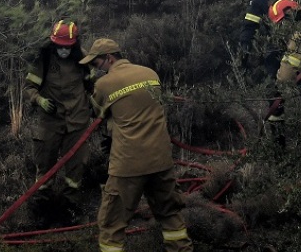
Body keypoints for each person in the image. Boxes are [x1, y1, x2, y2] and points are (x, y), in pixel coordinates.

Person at [80, 38, 193, 252]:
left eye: (96, 64)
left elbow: (95, 112)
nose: (96, 69)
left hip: (128, 164)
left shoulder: (104, 84)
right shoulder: (150, 74)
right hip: (161, 160)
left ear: (109, 58)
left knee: (111, 223)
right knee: (170, 215)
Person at [23, 20, 95, 223]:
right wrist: (40, 100)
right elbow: (28, 88)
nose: (63, 50)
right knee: (45, 166)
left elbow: (93, 87)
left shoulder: (83, 59)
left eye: (67, 47)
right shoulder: (44, 59)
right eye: (59, 46)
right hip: (50, 122)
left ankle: (69, 208)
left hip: (77, 121)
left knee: (76, 167)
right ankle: (41, 210)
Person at [237, 0, 292, 79]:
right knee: (274, 80)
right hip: (275, 47)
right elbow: (249, 27)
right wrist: (244, 51)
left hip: (300, 42)